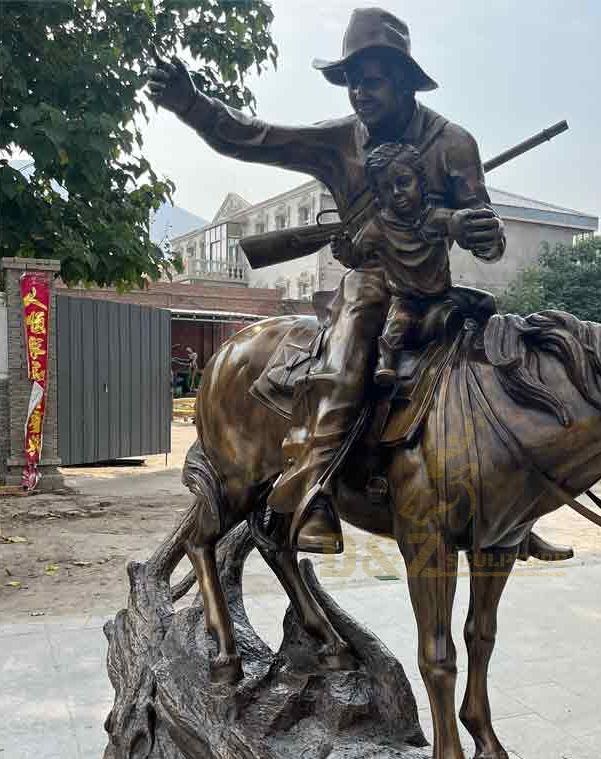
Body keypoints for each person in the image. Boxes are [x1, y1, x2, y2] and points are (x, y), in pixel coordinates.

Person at [146, 7, 570, 562]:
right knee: (348, 356)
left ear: (402, 80)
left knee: (504, 362)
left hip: (434, 289)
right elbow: (252, 136)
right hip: (370, 287)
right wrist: (192, 104)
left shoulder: (453, 143)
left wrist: (480, 231)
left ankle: (509, 501)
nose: (359, 93)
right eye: (351, 81)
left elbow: (486, 238)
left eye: (372, 80)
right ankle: (313, 483)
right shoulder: (338, 140)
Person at [339, 141, 458, 387]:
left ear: (421, 182)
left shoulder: (439, 218)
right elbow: (355, 258)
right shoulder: (376, 228)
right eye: (386, 188)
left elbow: (461, 223)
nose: (396, 192)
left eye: (403, 182)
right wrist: (343, 252)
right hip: (407, 300)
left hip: (445, 296)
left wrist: (469, 225)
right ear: (379, 195)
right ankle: (385, 366)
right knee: (397, 325)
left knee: (485, 303)